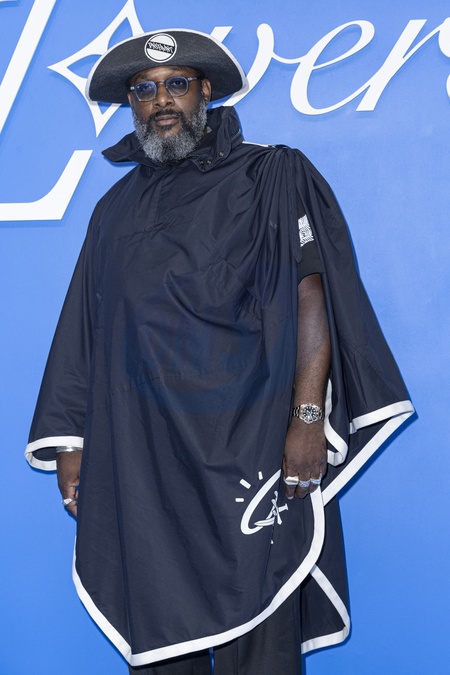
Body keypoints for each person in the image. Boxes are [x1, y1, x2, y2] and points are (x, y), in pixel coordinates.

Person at [25, 29, 414, 674]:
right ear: (131, 105)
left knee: (259, 635)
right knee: (159, 635)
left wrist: (307, 419)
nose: (161, 101)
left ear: (205, 91)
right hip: (147, 461)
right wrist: (73, 443)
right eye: (144, 91)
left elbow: (310, 298)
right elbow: (86, 330)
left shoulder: (271, 174)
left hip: (250, 446)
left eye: (176, 84)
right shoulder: (113, 211)